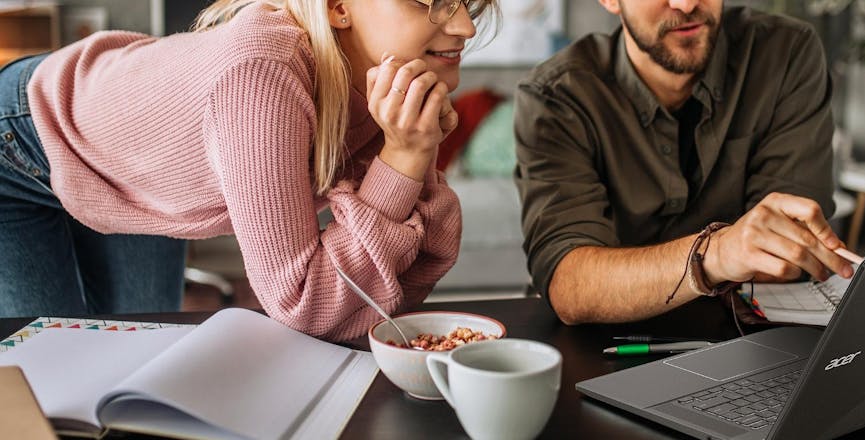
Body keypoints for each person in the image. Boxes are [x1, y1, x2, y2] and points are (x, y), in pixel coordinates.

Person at [0, 0, 496, 341]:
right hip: (22, 140)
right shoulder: (265, 73)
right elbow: (305, 303)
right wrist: (405, 159)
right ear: (337, 6)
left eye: (466, 1)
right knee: (49, 384)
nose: (465, 28)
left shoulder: (381, 87)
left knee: (129, 365)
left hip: (129, 168)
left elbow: (401, 278)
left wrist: (410, 155)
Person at [514, 0, 853, 325]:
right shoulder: (556, 96)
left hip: (742, 339)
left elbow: (790, 250)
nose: (687, 4)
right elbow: (571, 286)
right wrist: (716, 254)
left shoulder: (785, 54)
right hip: (597, 343)